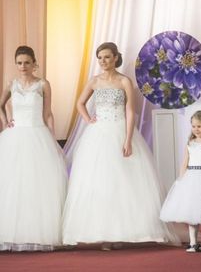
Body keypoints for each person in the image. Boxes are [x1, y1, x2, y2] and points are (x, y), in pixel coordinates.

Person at [62, 42, 174, 247]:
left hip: (120, 130)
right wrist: (88, 120)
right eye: (100, 58)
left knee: (124, 182)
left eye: (107, 57)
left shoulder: (124, 81)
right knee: (100, 182)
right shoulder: (94, 81)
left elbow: (130, 111)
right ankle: (103, 233)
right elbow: (79, 103)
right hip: (98, 134)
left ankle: (123, 232)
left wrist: (128, 138)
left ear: (115, 58)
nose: (103, 61)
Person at [0, 46, 67, 251]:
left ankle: (38, 233)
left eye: (27, 62)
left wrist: (52, 136)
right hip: (15, 137)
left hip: (38, 134)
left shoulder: (43, 84)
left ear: (33, 63)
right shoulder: (11, 84)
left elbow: (48, 113)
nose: (23, 66)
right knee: (13, 184)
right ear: (16, 64)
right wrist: (6, 122)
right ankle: (11, 232)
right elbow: (1, 105)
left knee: (38, 184)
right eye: (19, 63)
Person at [160, 111, 201, 253]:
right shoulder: (190, 143)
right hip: (192, 178)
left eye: (199, 126)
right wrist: (181, 180)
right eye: (193, 126)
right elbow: (184, 163)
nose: (196, 129)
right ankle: (193, 242)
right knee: (192, 211)